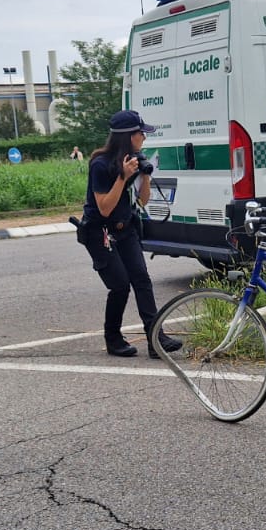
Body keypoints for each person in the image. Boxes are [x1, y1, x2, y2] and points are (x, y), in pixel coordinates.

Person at [77, 111, 180, 359]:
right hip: (99, 233)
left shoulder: (133, 160)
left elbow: (143, 201)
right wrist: (123, 177)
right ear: (128, 136)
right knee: (120, 285)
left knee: (142, 280)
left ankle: (157, 339)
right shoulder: (100, 164)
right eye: (141, 133)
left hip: (126, 229)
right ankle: (113, 338)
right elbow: (104, 207)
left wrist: (144, 175)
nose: (144, 137)